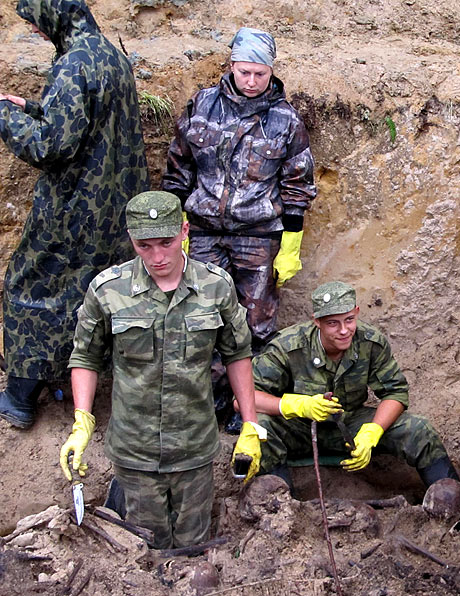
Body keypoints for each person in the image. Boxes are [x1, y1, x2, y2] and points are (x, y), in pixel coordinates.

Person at [58, 191, 265, 549]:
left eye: (166, 243)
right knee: (145, 546)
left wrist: (250, 424)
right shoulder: (108, 290)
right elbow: (86, 357)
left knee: (193, 546)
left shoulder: (215, 286)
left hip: (194, 446)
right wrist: (82, 422)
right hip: (135, 449)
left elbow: (238, 354)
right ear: (131, 239)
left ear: (184, 231)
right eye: (145, 246)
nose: (157, 257)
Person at [0, 0, 149, 429]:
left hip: (73, 211)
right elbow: (88, 121)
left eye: (35, 20)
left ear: (54, 14)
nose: (35, 29)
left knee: (32, 289)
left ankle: (20, 396)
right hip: (113, 211)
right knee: (90, 297)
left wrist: (5, 115)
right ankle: (76, 380)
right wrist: (31, 107)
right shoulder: (111, 57)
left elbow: (50, 146)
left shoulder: (73, 64)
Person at [161, 27, 316, 429]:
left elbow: (298, 186)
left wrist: (290, 246)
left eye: (260, 74)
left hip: (257, 236)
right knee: (199, 317)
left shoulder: (285, 120)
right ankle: (205, 403)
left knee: (255, 326)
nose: (251, 81)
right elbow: (178, 169)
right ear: (231, 65)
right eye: (244, 72)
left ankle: (245, 405)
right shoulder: (202, 106)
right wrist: (175, 227)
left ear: (271, 72)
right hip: (202, 233)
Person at [243, 281, 460, 491]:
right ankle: (278, 504)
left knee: (418, 429)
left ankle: (452, 500)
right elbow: (244, 399)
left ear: (356, 312)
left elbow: (395, 392)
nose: (344, 330)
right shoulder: (288, 346)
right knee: (259, 427)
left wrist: (373, 431)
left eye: (349, 320)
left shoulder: (370, 341)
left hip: (351, 426)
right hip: (299, 429)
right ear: (317, 321)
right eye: (333, 323)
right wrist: (298, 405)